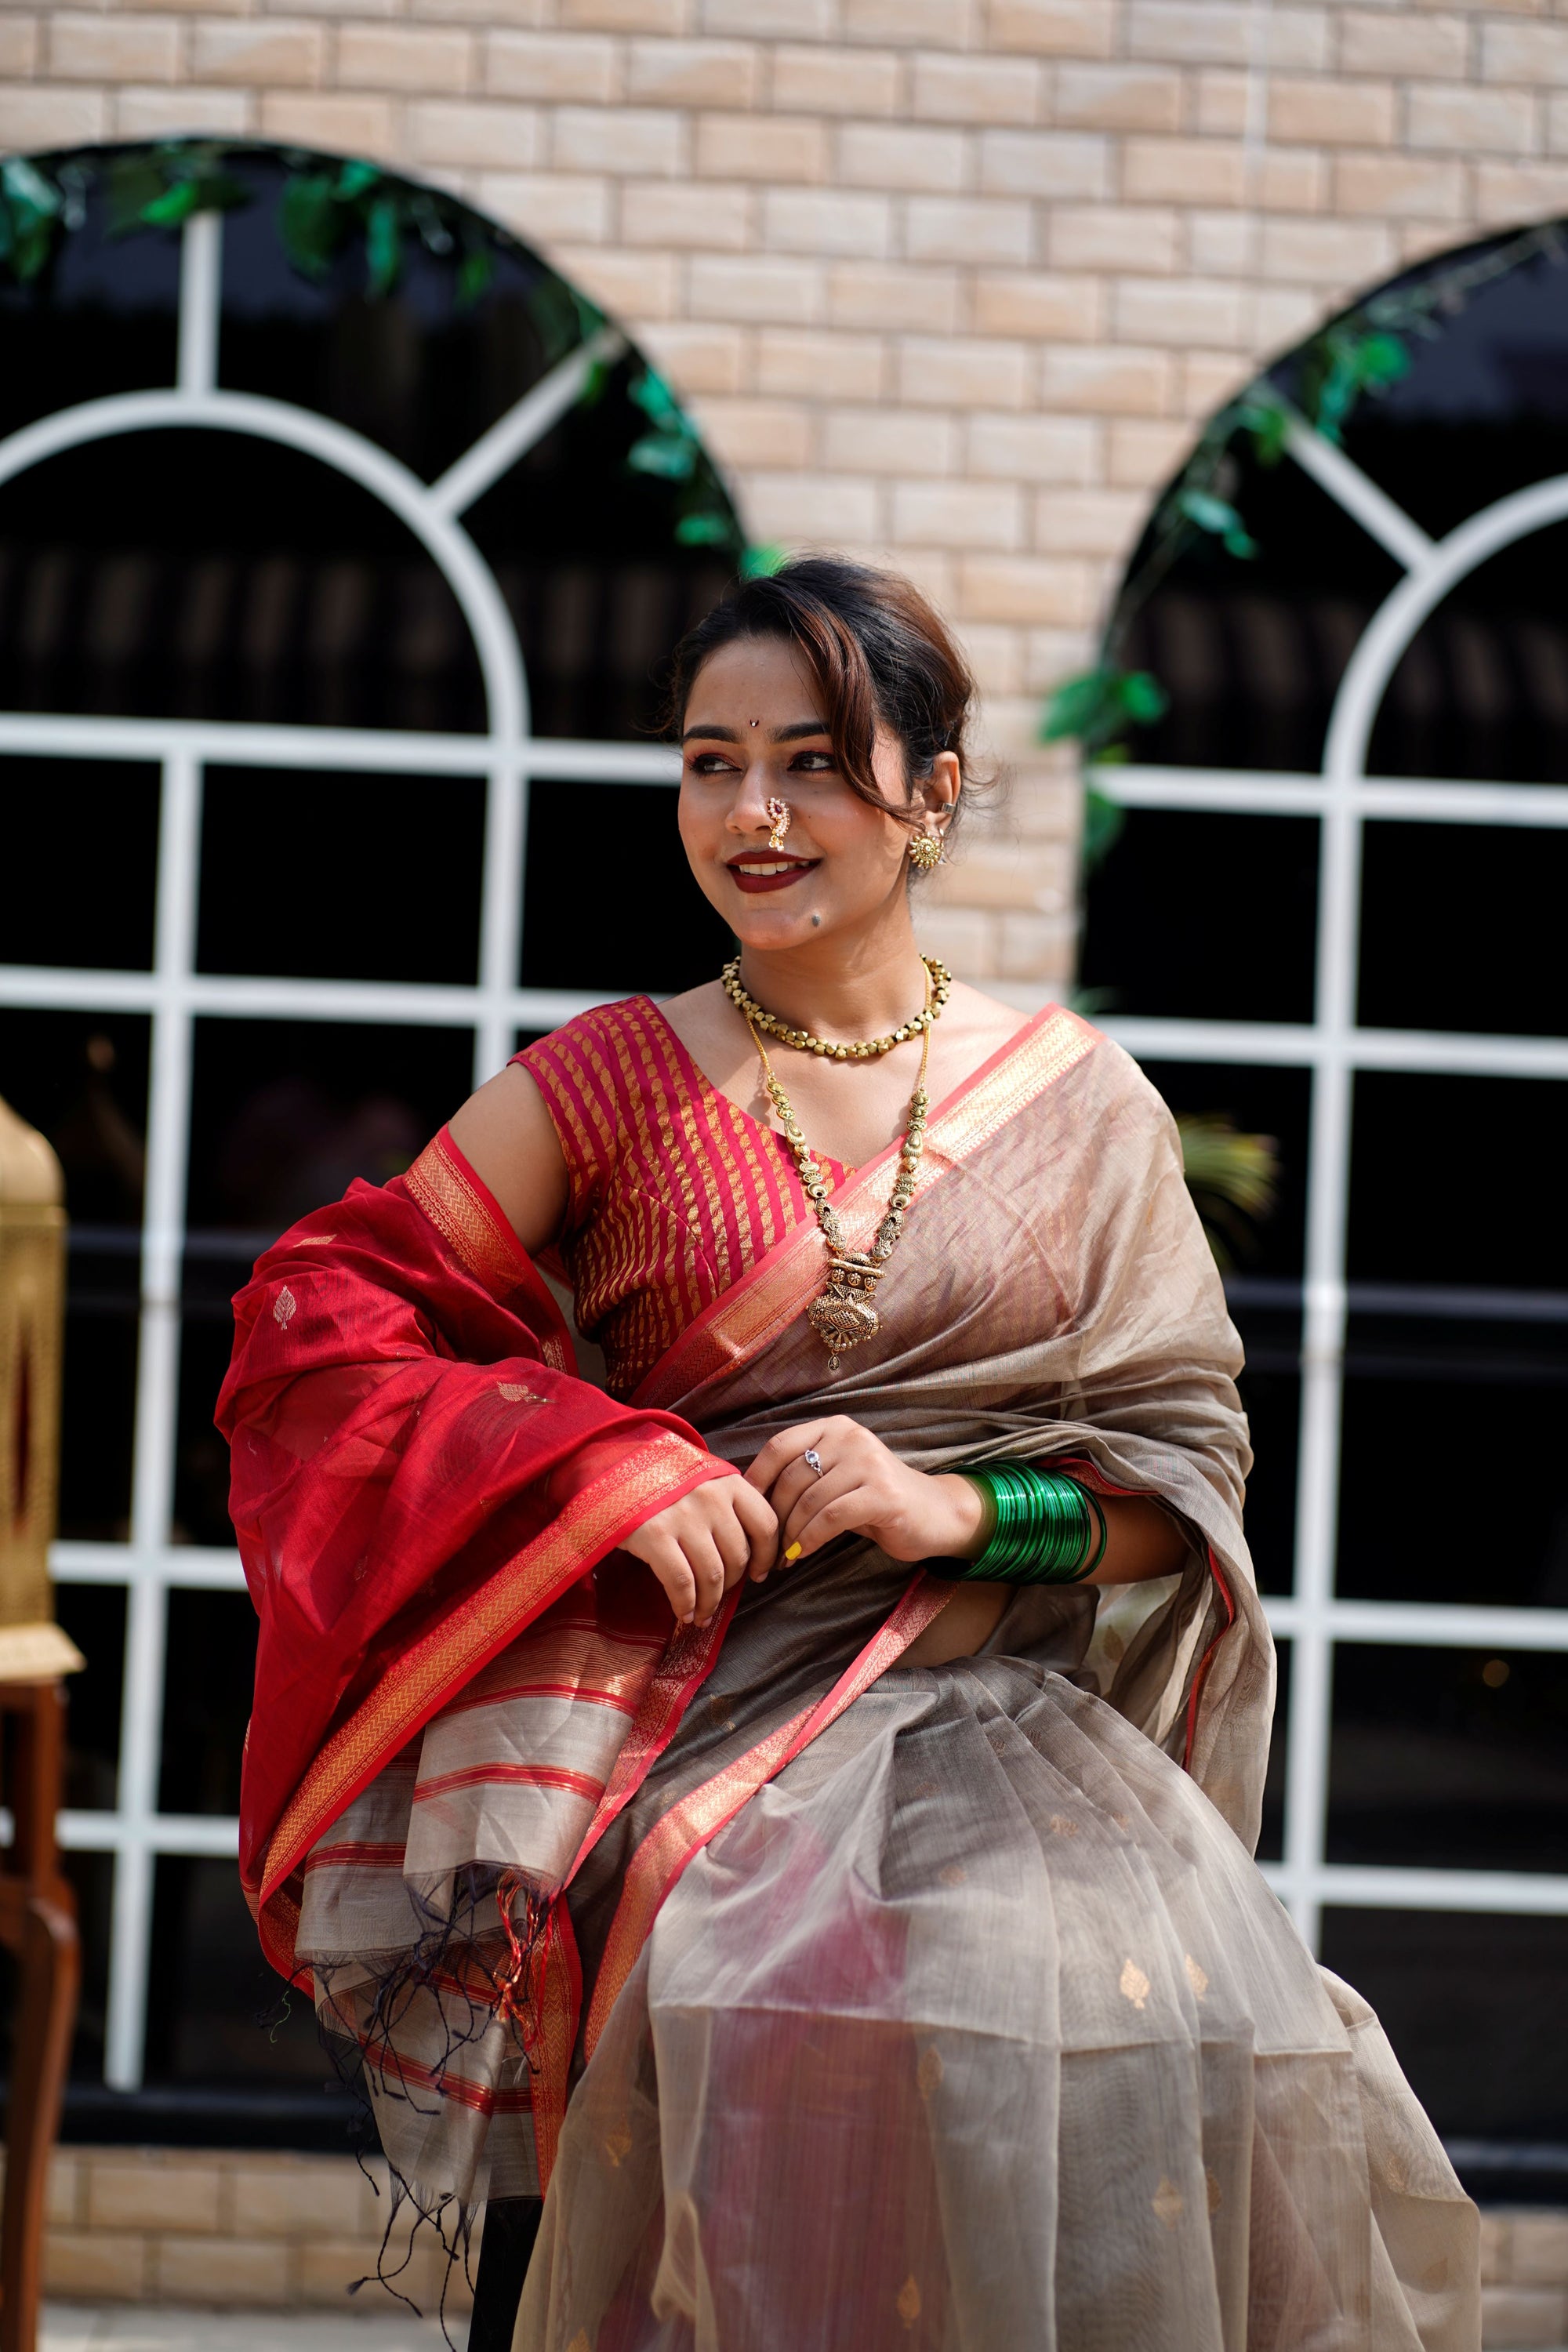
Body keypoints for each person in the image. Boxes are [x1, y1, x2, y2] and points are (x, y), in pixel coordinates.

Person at [219, 557, 1479, 2351]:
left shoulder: (1078, 1104)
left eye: (810, 762)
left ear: (934, 793)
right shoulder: (611, 1081)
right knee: (718, 1962)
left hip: (998, 1729)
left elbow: (1178, 1490)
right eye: (708, 760)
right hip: (689, 1722)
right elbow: (323, 1317)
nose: (751, 813)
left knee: (1164, 2026)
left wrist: (953, 1507)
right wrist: (598, 1470)